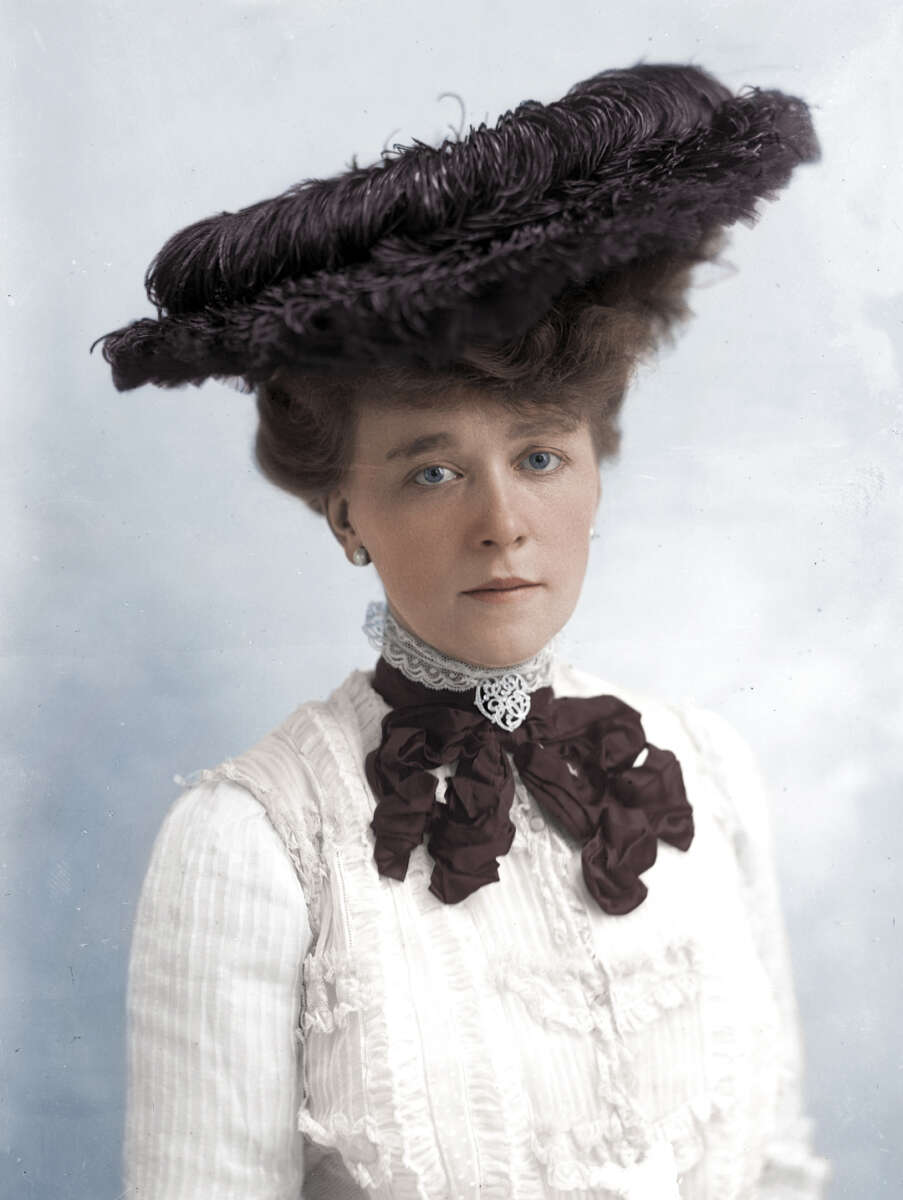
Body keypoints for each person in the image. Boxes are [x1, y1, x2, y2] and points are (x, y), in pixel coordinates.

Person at [94, 62, 830, 1199]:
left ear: (595, 472)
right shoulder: (251, 847)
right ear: (346, 511)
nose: (502, 525)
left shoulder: (709, 772)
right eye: (432, 471)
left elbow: (779, 1166)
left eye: (541, 456)